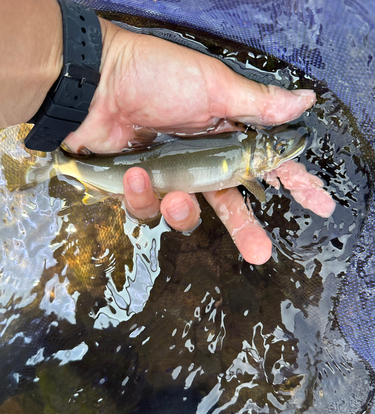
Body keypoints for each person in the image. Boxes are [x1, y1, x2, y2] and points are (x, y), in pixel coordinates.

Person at [0, 0, 335, 265]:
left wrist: (102, 67)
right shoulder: (247, 170)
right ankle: (59, 162)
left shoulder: (244, 158)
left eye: (275, 150)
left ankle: (59, 161)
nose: (281, 150)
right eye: (276, 150)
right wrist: (102, 65)